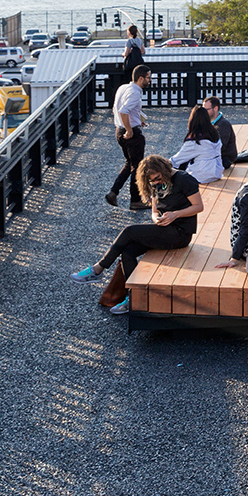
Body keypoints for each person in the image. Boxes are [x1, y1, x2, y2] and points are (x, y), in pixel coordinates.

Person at [72, 155, 204, 315]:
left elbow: (198, 206)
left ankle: (98, 269)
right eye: (152, 181)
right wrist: (157, 219)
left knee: (129, 231)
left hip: (181, 233)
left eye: (158, 178)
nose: (156, 182)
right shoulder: (155, 184)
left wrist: (175, 215)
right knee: (128, 251)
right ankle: (134, 298)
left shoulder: (184, 179)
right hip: (164, 229)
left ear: (164, 170)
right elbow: (154, 211)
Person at [106, 64, 151, 211]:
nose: (150, 80)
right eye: (148, 77)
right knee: (137, 167)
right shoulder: (135, 93)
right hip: (131, 134)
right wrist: (130, 130)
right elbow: (123, 111)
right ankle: (135, 201)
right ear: (140, 78)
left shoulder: (123, 88)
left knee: (129, 163)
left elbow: (119, 109)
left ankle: (113, 192)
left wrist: (138, 119)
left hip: (118, 131)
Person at [170, 105, 224, 183]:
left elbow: (177, 160)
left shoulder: (195, 141)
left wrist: (161, 164)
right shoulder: (214, 133)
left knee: (174, 170)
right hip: (217, 173)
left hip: (200, 176)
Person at [201, 96, 244, 167]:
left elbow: (221, 146)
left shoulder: (223, 124)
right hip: (214, 156)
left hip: (225, 158)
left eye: (206, 110)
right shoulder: (208, 122)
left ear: (215, 108)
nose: (203, 112)